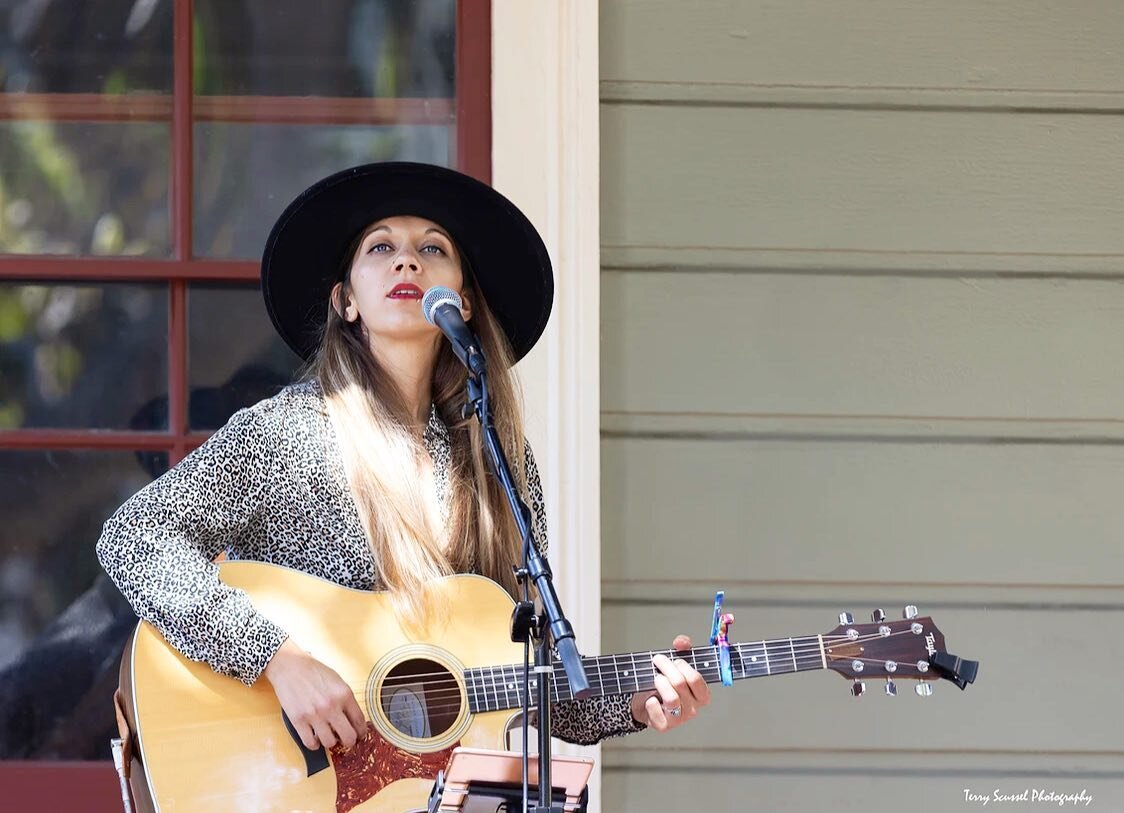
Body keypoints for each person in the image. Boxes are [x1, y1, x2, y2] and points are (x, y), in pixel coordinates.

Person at [96, 162, 709, 757]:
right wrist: (275, 658)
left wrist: (636, 701)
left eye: (434, 248)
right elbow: (133, 540)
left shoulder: (499, 458)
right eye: (380, 248)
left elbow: (531, 678)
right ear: (346, 302)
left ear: (463, 305)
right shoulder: (290, 432)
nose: (407, 260)